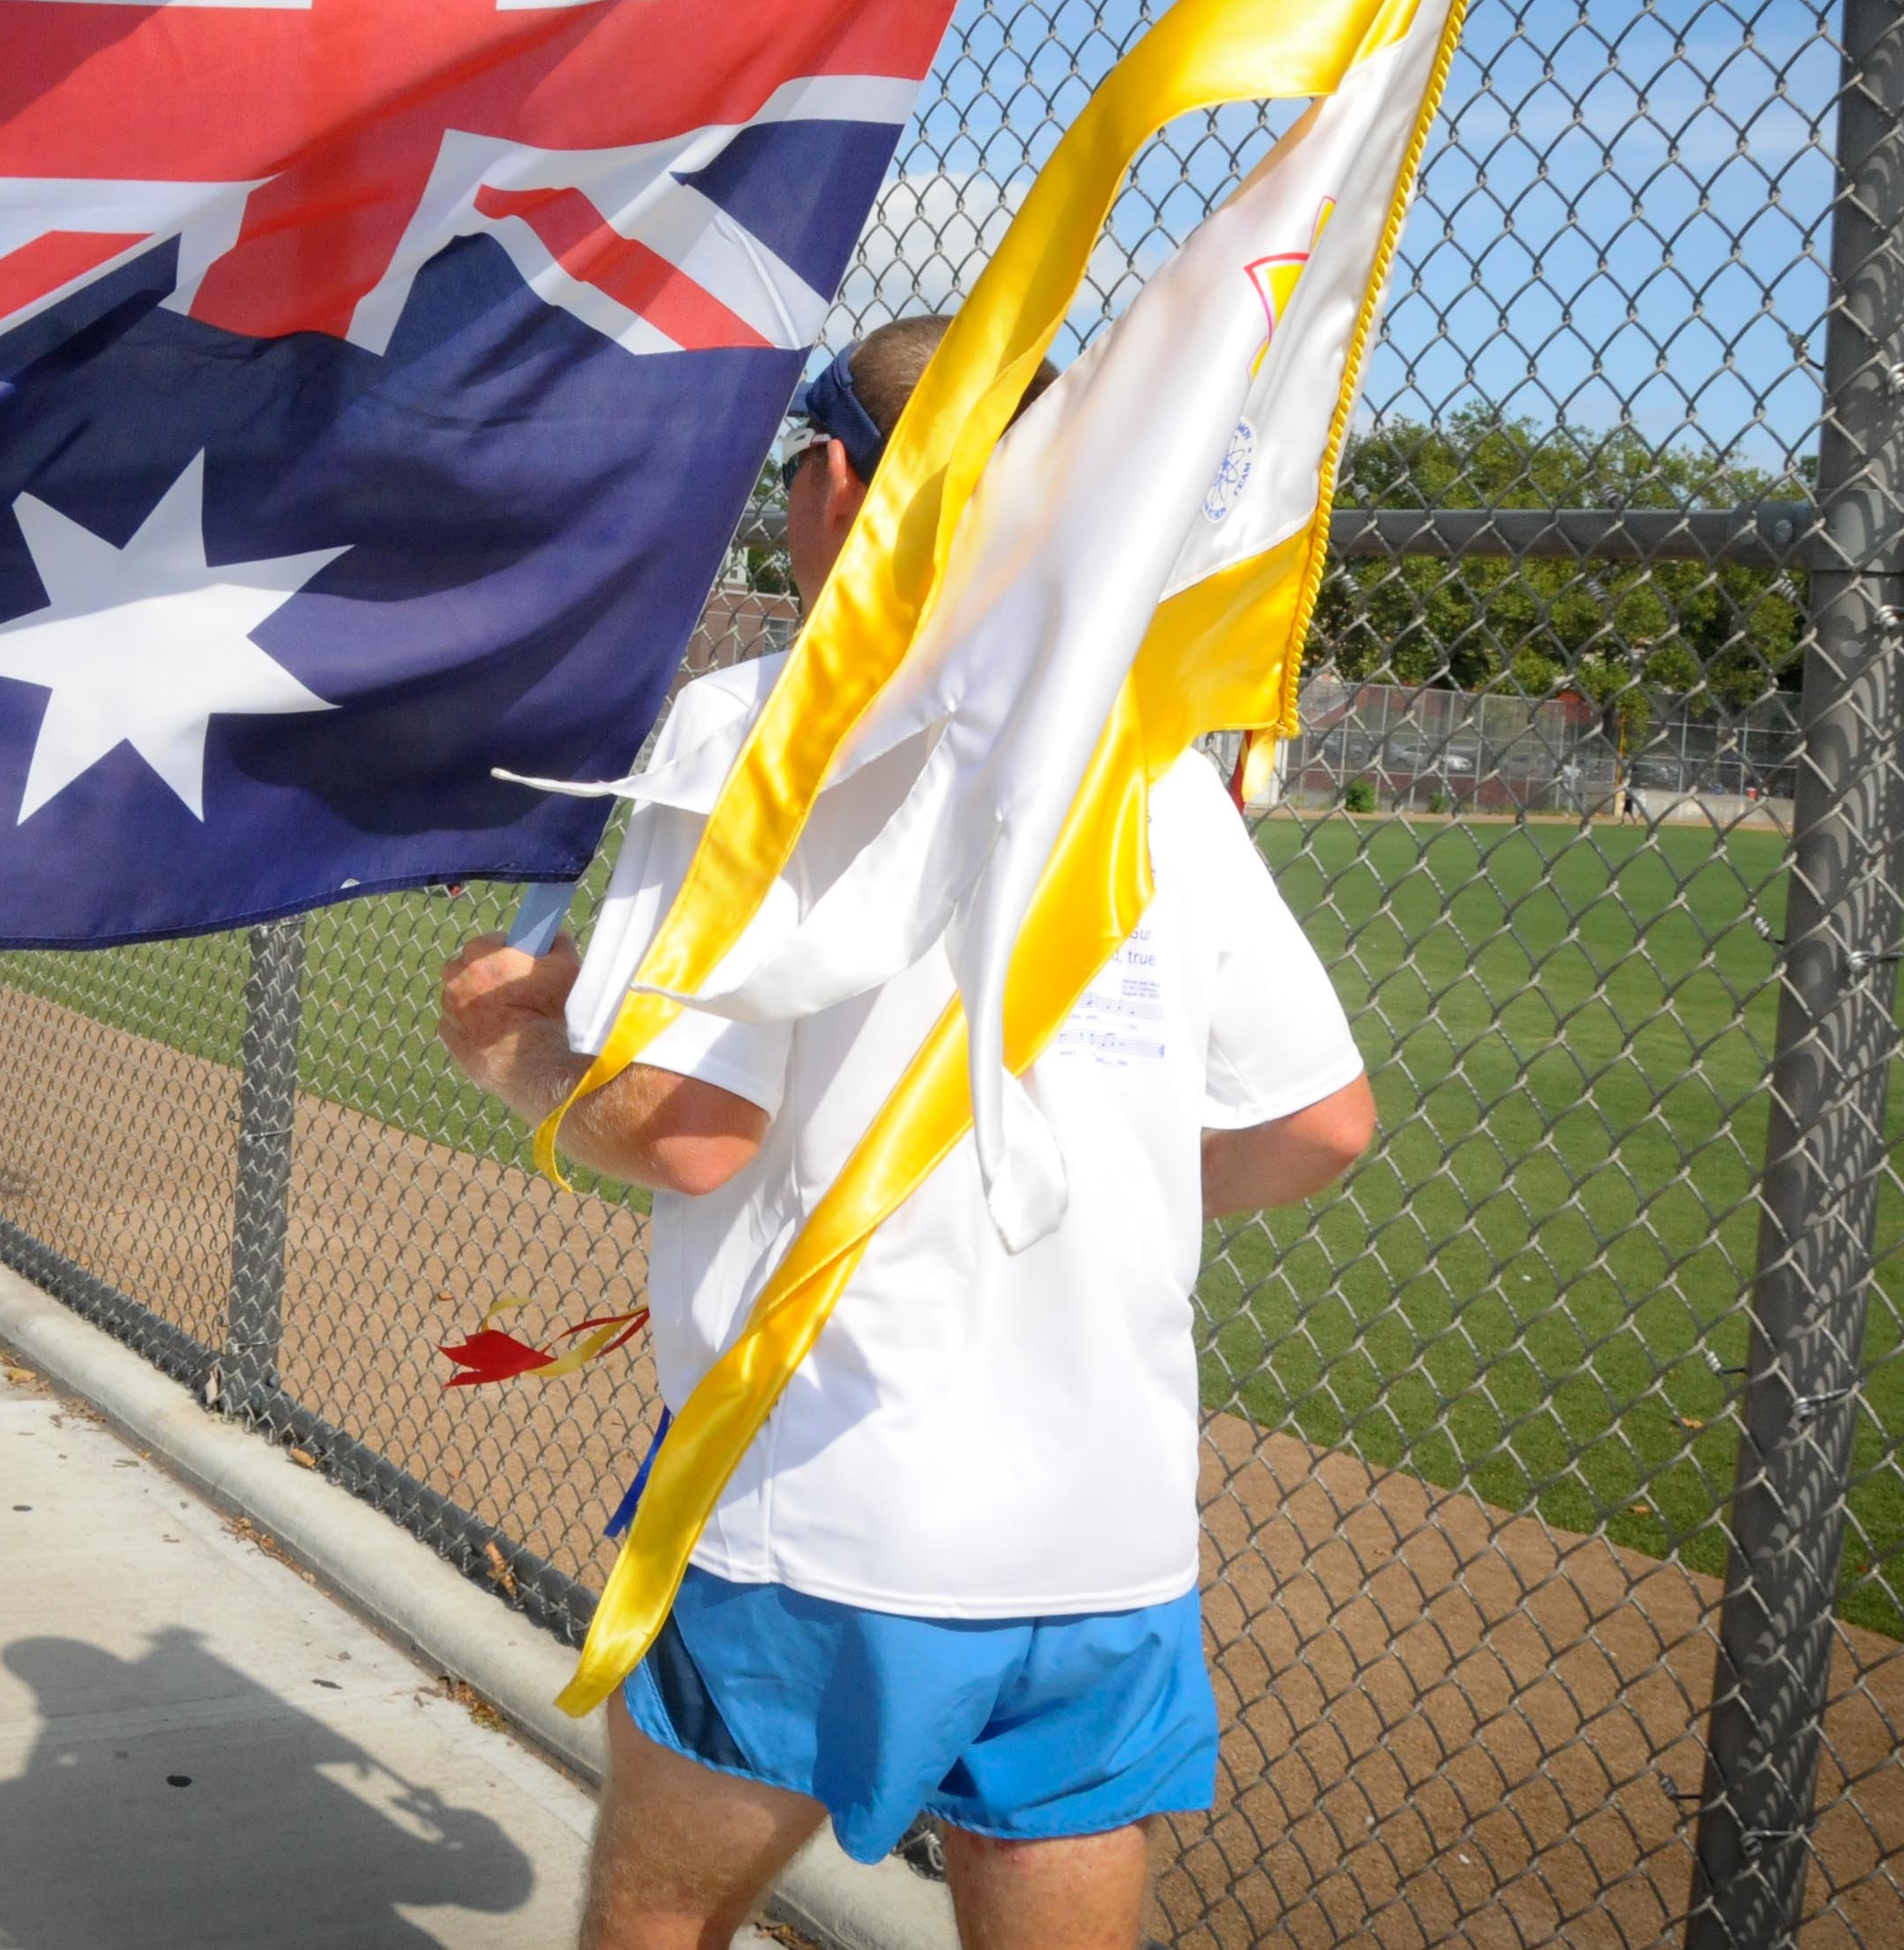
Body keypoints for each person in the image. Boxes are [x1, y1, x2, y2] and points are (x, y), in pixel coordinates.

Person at [439, 316, 1378, 1950]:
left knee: (660, 1916)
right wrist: (1070, 1194)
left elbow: (692, 1134)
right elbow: (1324, 1124)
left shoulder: (764, 721)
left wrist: (506, 1044)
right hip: (1104, 1528)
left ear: (836, 479)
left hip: (824, 1503)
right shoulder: (1141, 751)